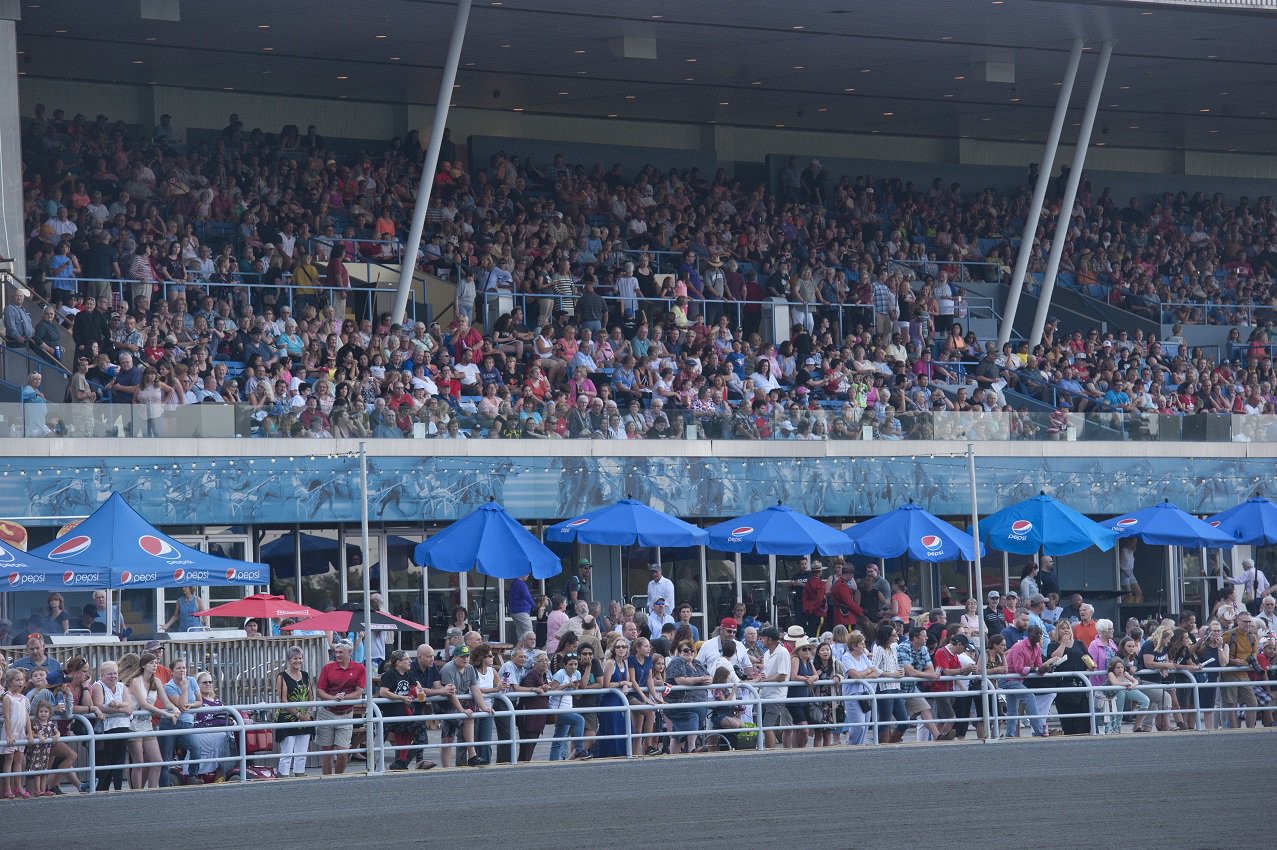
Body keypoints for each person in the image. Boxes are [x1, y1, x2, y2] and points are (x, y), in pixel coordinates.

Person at [121, 651, 178, 790]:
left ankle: (153, 791)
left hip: (147, 725)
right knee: (139, 761)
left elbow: (165, 702)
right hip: (133, 724)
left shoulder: (157, 681)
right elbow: (144, 704)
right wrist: (167, 714)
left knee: (157, 761)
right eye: (151, 663)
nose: (154, 665)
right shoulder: (135, 680)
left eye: (155, 663)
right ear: (143, 665)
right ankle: (137, 792)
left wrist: (174, 709)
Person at [315, 639, 365, 775]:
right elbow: (319, 691)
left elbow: (359, 692)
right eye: (336, 652)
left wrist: (343, 697)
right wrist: (333, 699)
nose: (337, 655)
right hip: (327, 712)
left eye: (340, 652)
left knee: (343, 753)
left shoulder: (359, 668)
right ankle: (327, 781)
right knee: (327, 752)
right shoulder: (327, 668)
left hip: (346, 713)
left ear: (349, 653)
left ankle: (338, 778)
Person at [1044, 620, 1094, 735]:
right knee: (1068, 722)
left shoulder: (1079, 644)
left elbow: (1088, 659)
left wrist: (1092, 665)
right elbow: (1054, 658)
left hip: (1081, 685)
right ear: (1058, 630)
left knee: (1084, 721)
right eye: (1062, 628)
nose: (1066, 630)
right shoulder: (1053, 645)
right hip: (1063, 685)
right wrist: (1063, 644)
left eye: (1067, 628)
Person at [159, 656, 201, 786]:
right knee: (166, 758)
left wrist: (191, 705)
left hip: (186, 724)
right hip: (170, 724)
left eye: (184, 668)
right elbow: (181, 706)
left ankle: (192, 776)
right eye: (178, 668)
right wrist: (183, 689)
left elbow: (199, 701)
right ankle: (164, 787)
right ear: (172, 672)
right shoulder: (168, 686)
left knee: (196, 748)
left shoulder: (192, 680)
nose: (182, 671)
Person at [438, 645, 483, 767]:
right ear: (455, 657)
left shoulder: (470, 669)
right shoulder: (448, 669)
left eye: (467, 656)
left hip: (457, 705)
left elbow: (475, 689)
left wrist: (484, 707)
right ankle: (472, 755)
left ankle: (447, 767)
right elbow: (451, 694)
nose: (466, 659)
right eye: (462, 657)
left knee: (447, 739)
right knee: (468, 717)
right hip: (444, 706)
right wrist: (462, 710)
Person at [664, 640, 711, 754]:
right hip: (679, 703)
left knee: (677, 732)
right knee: (692, 717)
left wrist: (707, 679)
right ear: (679, 652)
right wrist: (699, 680)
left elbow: (709, 676)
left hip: (696, 704)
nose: (689, 652)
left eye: (691, 650)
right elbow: (680, 680)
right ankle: (692, 748)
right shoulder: (677, 662)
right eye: (685, 650)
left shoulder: (697, 663)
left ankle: (673, 756)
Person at [91, 660, 131, 792]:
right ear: (102, 675)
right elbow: (100, 706)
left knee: (119, 761)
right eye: (109, 674)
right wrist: (121, 709)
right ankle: (102, 789)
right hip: (106, 730)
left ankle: (118, 789)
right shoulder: (98, 686)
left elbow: (129, 704)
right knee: (105, 762)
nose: (113, 676)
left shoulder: (122, 686)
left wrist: (117, 705)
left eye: (115, 673)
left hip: (123, 727)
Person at [274, 646, 313, 778]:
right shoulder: (282, 676)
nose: (298, 661)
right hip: (288, 717)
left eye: (300, 658)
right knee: (287, 752)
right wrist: (298, 715)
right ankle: (284, 776)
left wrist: (307, 713)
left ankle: (300, 775)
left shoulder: (306, 675)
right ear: (289, 660)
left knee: (302, 752)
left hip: (305, 718)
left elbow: (310, 697)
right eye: (295, 658)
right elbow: (283, 701)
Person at [378, 649, 418, 770]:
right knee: (380, 741)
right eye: (407, 659)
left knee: (417, 734)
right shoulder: (390, 674)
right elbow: (383, 692)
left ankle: (404, 762)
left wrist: (418, 692)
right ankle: (374, 766)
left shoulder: (408, 674)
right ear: (399, 662)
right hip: (388, 715)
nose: (410, 661)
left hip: (403, 713)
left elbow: (415, 686)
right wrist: (401, 698)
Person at [871, 621, 909, 743]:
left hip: (896, 687)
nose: (896, 636)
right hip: (884, 688)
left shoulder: (894, 647)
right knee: (885, 721)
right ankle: (883, 745)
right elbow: (874, 668)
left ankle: (890, 743)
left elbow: (898, 662)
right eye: (893, 634)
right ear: (887, 636)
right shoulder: (879, 649)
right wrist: (892, 674)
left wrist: (901, 671)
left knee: (904, 721)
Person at [596, 637, 633, 757]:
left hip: (621, 700)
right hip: (610, 701)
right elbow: (606, 684)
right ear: (614, 649)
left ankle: (624, 753)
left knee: (624, 727)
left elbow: (629, 681)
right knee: (612, 728)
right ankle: (609, 755)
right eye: (618, 647)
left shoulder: (625, 663)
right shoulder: (610, 663)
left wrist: (627, 684)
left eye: (623, 647)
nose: (621, 649)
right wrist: (621, 684)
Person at [548, 651, 588, 761]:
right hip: (557, 709)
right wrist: (568, 685)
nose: (573, 667)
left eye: (575, 664)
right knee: (579, 720)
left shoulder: (577, 674)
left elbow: (578, 695)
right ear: (565, 665)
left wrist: (576, 689)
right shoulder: (560, 674)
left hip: (568, 707)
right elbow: (551, 690)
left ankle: (553, 763)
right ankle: (579, 750)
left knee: (558, 739)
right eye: (570, 664)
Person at [508, 573, 535, 643]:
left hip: (514, 611)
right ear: (521, 573)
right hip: (521, 611)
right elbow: (527, 597)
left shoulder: (514, 583)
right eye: (526, 573)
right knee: (529, 632)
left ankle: (519, 650)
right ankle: (528, 651)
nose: (528, 575)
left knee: (520, 634)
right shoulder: (521, 584)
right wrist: (535, 606)